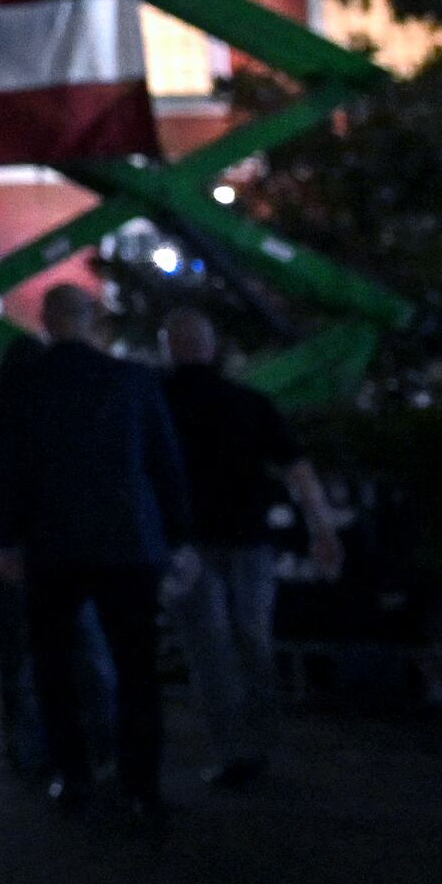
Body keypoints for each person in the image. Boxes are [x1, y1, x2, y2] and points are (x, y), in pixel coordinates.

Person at [0, 281, 200, 818]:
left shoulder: (24, 385)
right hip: (127, 540)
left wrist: (4, 537)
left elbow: (8, 467)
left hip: (53, 543)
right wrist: (179, 537)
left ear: (45, 321)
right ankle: (141, 784)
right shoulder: (133, 380)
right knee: (136, 665)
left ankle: (73, 775)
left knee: (54, 665)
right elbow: (164, 463)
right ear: (90, 320)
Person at [155, 304, 339, 793]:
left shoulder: (157, 402)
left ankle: (232, 749)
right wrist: (322, 527)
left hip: (189, 543)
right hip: (250, 539)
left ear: (169, 349)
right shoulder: (249, 403)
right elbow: (297, 469)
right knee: (253, 638)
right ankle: (262, 742)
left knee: (208, 648)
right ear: (211, 348)